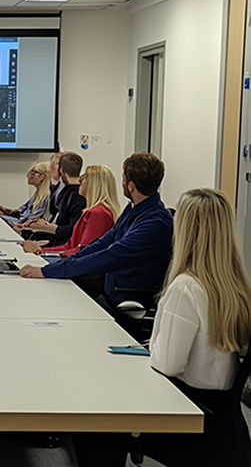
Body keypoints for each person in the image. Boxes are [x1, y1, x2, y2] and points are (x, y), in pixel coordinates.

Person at [74, 188, 251, 467]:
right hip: (219, 415)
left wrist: (151, 347)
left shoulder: (186, 288)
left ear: (186, 230)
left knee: (96, 419)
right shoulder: (233, 284)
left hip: (187, 408)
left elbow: (167, 364)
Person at [19, 153, 173, 311]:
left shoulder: (155, 223)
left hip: (124, 298)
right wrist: (60, 265)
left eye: (123, 178)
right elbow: (103, 243)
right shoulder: (133, 209)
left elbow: (110, 255)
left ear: (130, 185)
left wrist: (48, 270)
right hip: (111, 289)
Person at [21, 164, 119, 258]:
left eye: (83, 178)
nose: (80, 181)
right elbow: (69, 246)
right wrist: (41, 251)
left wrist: (45, 253)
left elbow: (85, 251)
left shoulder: (98, 213)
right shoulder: (94, 211)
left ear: (93, 185)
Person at [20, 151, 86, 246]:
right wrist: (41, 223)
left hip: (63, 245)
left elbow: (73, 231)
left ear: (62, 171)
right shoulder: (65, 191)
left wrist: (45, 227)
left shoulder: (77, 196)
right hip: (58, 240)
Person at [0, 161, 50, 228]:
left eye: (33, 173)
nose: (28, 176)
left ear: (42, 176)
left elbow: (25, 222)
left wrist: (2, 217)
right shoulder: (36, 196)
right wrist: (6, 211)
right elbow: (20, 213)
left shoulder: (44, 198)